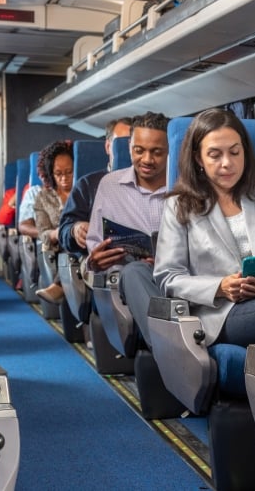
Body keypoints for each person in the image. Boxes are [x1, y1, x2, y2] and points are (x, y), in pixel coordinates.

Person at [154, 108, 255, 352]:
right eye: (215, 155)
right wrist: (220, 287)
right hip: (222, 314)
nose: (227, 163)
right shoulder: (180, 205)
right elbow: (168, 277)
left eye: (234, 152)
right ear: (199, 158)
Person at [86, 111, 169, 346]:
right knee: (134, 272)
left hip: (176, 274)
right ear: (130, 147)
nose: (147, 159)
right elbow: (94, 245)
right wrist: (95, 260)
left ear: (170, 151)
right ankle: (167, 348)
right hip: (129, 277)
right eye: (139, 150)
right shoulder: (110, 185)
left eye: (157, 152)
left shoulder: (184, 187)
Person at [59, 117, 132, 256]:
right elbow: (64, 231)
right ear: (108, 147)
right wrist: (75, 230)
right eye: (120, 144)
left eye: (132, 145)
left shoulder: (151, 184)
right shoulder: (86, 185)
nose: (127, 151)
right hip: (99, 260)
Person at [33, 140, 74, 304]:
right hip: (60, 248)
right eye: (58, 174)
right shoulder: (43, 198)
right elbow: (43, 233)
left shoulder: (85, 190)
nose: (64, 178)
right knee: (68, 236)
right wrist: (56, 233)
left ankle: (58, 286)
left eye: (69, 172)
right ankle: (59, 284)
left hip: (86, 241)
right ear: (51, 174)